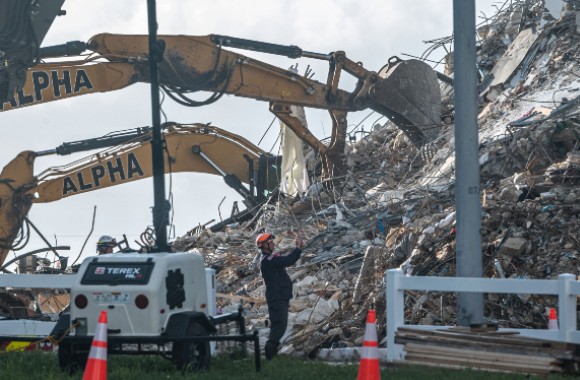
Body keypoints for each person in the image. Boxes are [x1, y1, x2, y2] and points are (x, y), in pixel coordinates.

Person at [256, 232, 304, 360]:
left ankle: (272, 352)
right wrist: (298, 248)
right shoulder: (268, 260)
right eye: (270, 242)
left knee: (281, 324)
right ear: (264, 245)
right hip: (276, 297)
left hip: (279, 296)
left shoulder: (269, 259)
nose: (273, 243)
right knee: (279, 324)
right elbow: (289, 260)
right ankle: (270, 352)